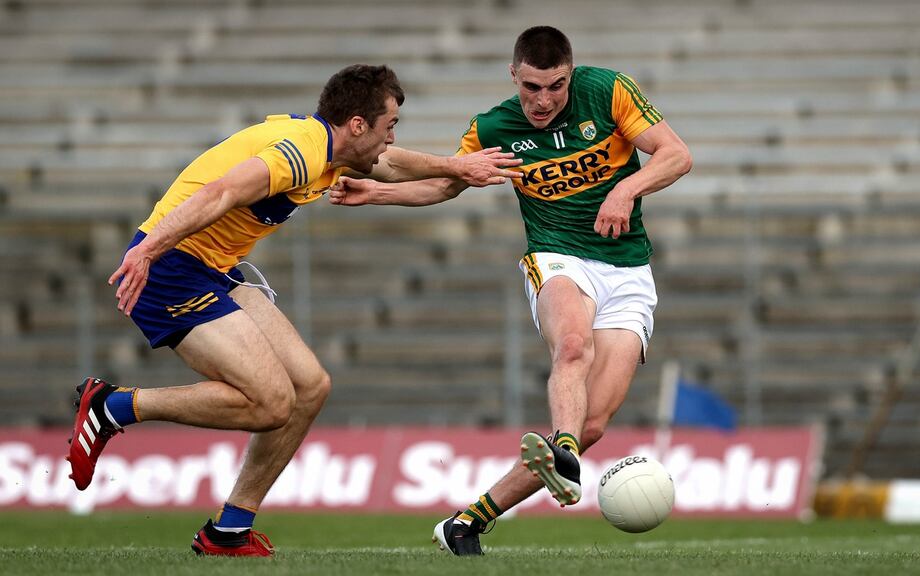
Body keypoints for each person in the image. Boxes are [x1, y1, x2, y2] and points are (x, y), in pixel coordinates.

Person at [65, 64, 522, 557]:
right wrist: (149, 249)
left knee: (310, 386)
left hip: (213, 267)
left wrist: (457, 168)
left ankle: (229, 530)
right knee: (270, 403)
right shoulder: (300, 153)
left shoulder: (331, 149)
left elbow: (390, 166)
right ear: (357, 126)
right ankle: (112, 406)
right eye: (389, 126)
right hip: (171, 267)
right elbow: (220, 193)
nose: (392, 139)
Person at [328, 27, 692, 555]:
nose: (542, 100)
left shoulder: (609, 92)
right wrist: (378, 192)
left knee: (592, 423)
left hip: (629, 269)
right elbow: (446, 183)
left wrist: (625, 188)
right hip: (557, 257)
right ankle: (562, 448)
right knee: (571, 347)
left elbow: (676, 154)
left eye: (555, 87)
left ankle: (467, 522)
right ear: (513, 75)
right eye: (531, 88)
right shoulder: (494, 126)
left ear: (571, 74)